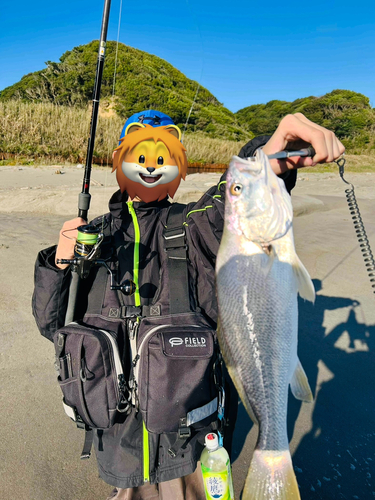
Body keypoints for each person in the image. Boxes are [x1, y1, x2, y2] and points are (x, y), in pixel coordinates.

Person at [32, 109, 344, 500]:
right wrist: (59, 264)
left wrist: (266, 154)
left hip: (195, 452)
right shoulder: (92, 237)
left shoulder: (193, 225)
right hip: (118, 451)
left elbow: (233, 199)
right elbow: (53, 326)